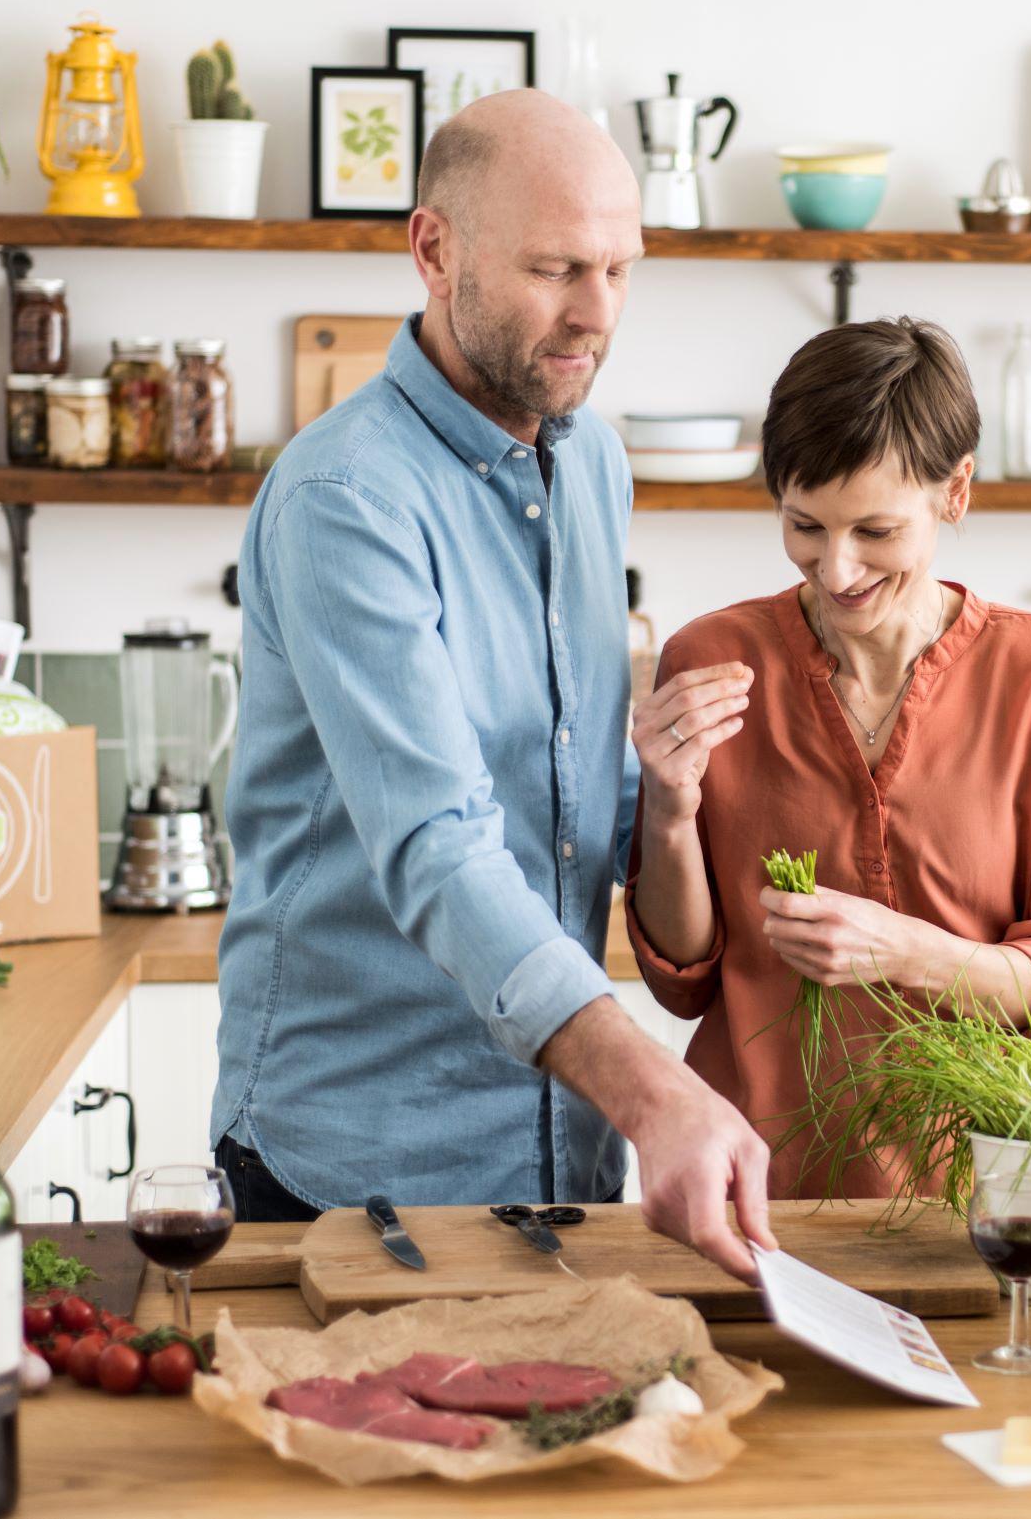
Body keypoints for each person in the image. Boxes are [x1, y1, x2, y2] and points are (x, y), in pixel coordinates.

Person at [212, 90, 776, 1279]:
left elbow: (570, 794)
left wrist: (672, 804)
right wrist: (658, 1099)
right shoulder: (345, 500)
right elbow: (443, 846)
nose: (597, 314)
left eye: (622, 268)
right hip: (358, 1170)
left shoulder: (591, 464)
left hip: (563, 1168)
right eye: (557, 268)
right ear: (434, 249)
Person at [623, 318, 1031, 1197]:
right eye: (805, 525)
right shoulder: (710, 659)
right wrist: (667, 808)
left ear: (956, 492)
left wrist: (899, 948)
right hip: (748, 1183)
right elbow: (685, 977)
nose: (838, 567)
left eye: (877, 532)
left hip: (973, 1198)